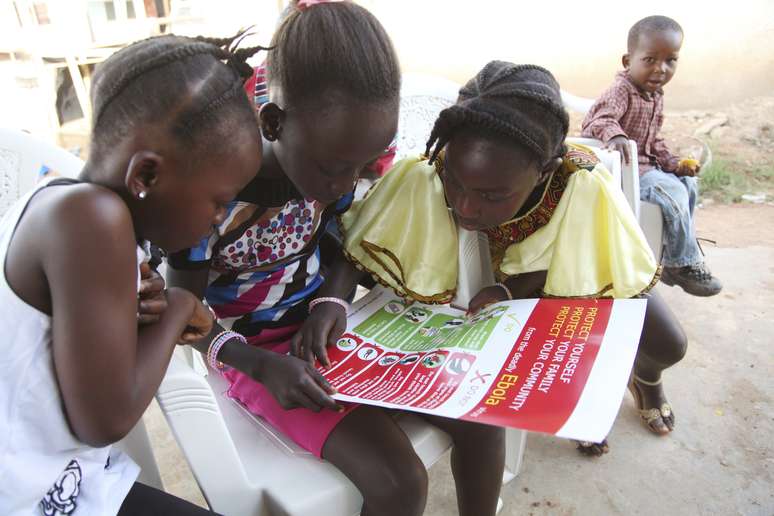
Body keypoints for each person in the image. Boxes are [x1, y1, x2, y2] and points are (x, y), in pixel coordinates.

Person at [166, 3, 441, 516]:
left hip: (329, 329)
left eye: (365, 165)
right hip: (256, 353)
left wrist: (332, 300)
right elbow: (180, 309)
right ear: (273, 123)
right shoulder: (212, 195)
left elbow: (345, 244)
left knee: (477, 412)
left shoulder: (329, 162)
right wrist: (258, 364)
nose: (347, 184)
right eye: (339, 169)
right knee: (400, 481)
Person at [333, 62, 688, 460]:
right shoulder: (428, 172)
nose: (465, 207)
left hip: (574, 281)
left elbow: (583, 262)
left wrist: (511, 288)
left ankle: (646, 379)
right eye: (456, 180)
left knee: (669, 344)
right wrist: (330, 305)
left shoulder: (580, 183)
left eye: (492, 196)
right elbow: (359, 248)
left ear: (542, 174)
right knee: (557, 376)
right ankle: (582, 410)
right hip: (507, 293)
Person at [0, 34, 264, 515]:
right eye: (219, 201)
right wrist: (182, 305)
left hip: (69, 478)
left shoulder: (75, 205)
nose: (219, 220)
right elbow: (106, 418)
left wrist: (138, 315)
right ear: (144, 176)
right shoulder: (92, 220)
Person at [581, 15, 722, 297]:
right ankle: (684, 263)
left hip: (647, 168)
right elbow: (597, 120)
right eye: (650, 59)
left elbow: (653, 141)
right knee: (673, 192)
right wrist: (616, 134)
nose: (661, 69)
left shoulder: (655, 95)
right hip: (625, 171)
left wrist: (674, 164)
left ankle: (672, 254)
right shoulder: (622, 91)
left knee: (687, 185)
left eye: (671, 60)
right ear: (627, 61)